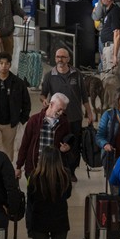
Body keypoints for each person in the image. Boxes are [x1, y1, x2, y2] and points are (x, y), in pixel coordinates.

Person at [40, 48, 94, 181]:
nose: (60, 59)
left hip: (75, 117)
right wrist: (44, 100)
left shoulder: (77, 74)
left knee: (74, 146)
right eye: (58, 57)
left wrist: (90, 112)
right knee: (57, 145)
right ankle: (59, 171)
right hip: (57, 119)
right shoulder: (49, 75)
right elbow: (42, 94)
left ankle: (71, 171)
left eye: (63, 57)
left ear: (68, 59)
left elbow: (84, 96)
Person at [27, 146, 71, 239]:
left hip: (39, 220)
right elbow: (67, 195)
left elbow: (31, 198)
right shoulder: (66, 175)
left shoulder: (34, 176)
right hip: (60, 219)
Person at [16, 93, 71, 181]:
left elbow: (68, 141)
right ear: (51, 104)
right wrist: (19, 166)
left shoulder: (64, 123)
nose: (61, 113)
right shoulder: (34, 121)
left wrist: (67, 147)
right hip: (34, 168)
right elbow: (25, 144)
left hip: (54, 170)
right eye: (59, 109)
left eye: (63, 110)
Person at [98, 0, 120, 82]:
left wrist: (114, 55)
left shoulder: (115, 11)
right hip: (108, 47)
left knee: (111, 80)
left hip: (112, 47)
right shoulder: (110, 11)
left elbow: (117, 33)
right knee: (106, 79)